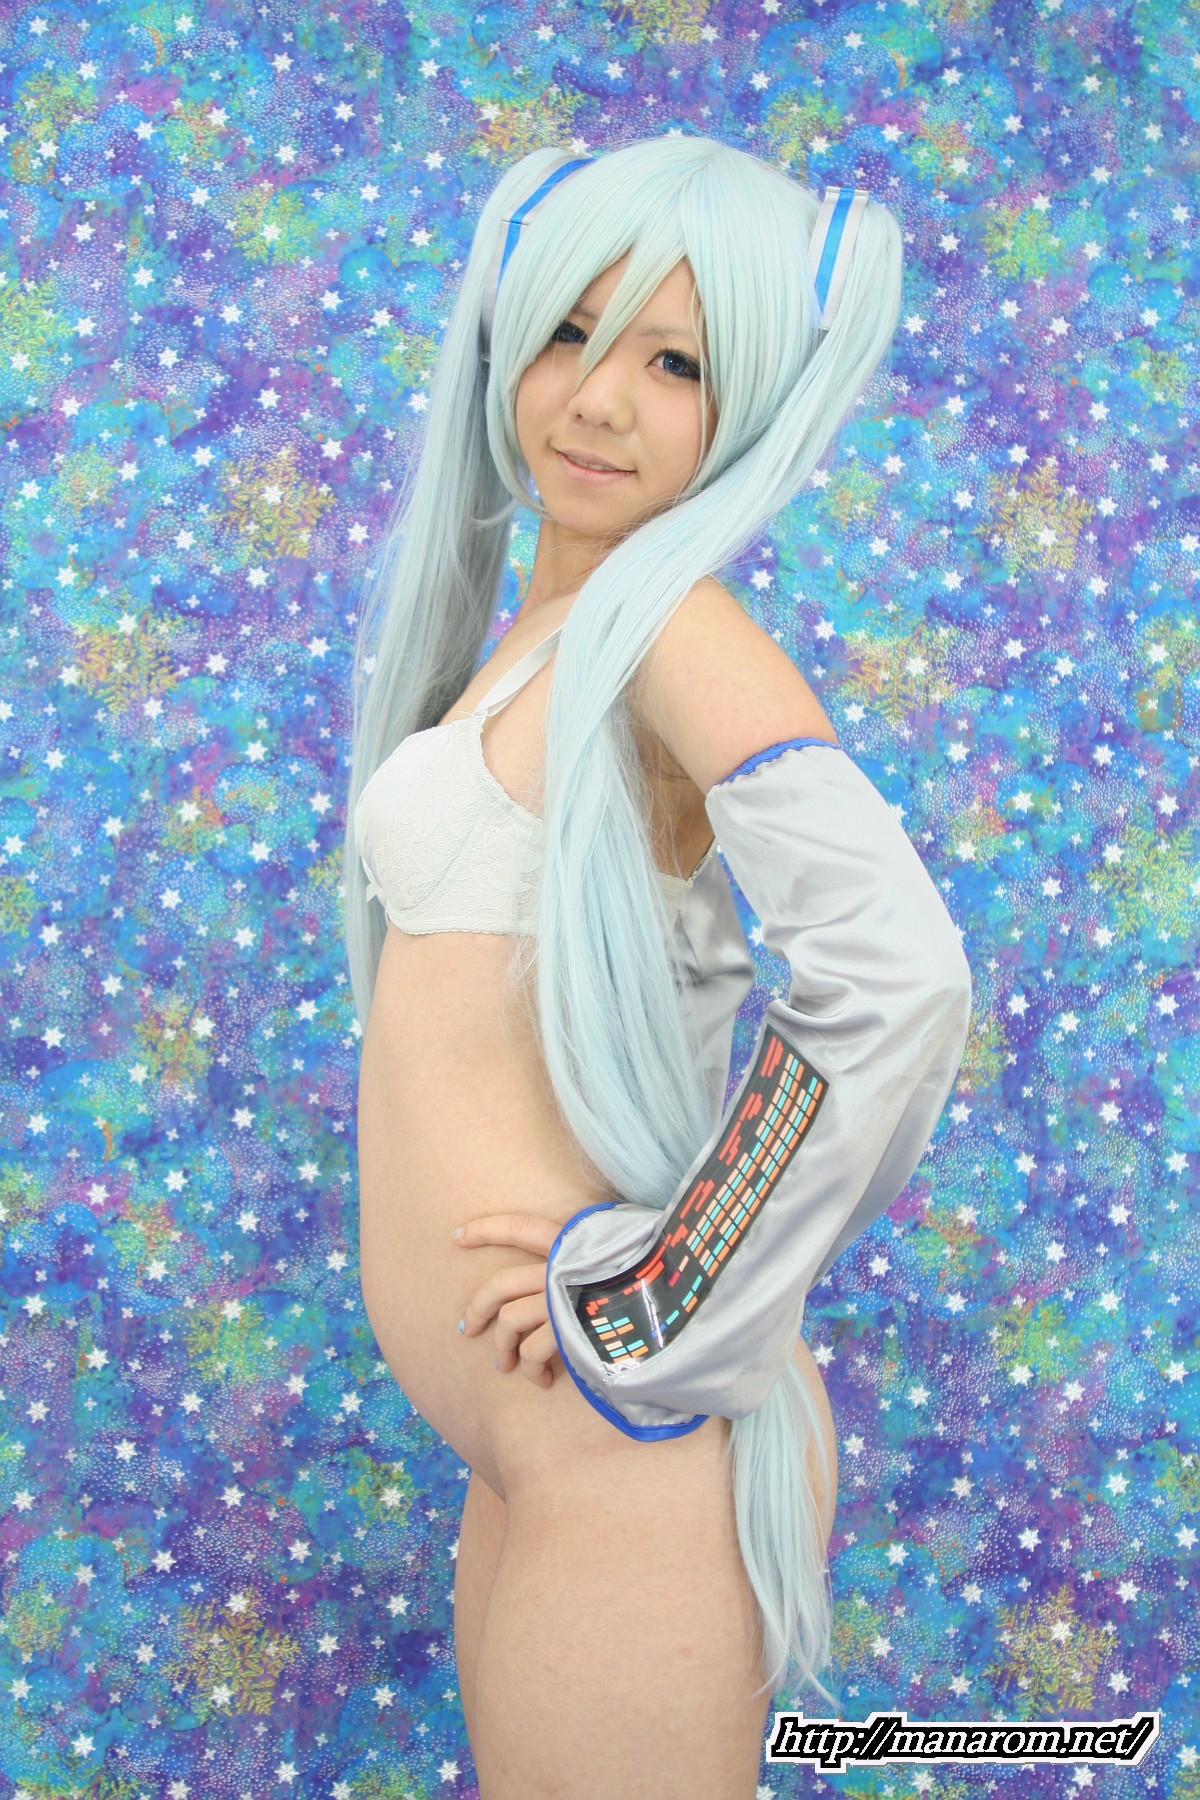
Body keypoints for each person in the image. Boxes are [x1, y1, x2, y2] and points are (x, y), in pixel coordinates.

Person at [343, 136, 972, 1800]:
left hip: (621, 1439)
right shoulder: (544, 638)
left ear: (749, 401)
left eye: (677, 363)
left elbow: (896, 973)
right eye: (571, 331)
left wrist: (666, 1291)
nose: (601, 398)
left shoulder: (675, 628)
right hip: (546, 1446)